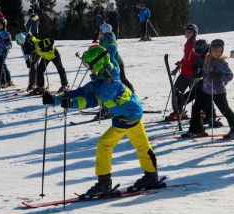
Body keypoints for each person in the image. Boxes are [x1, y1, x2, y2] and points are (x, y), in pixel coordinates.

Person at [42, 45, 164, 198]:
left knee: (104, 145)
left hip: (125, 117)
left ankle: (104, 184)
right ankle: (151, 177)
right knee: (141, 144)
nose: (87, 68)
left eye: (88, 65)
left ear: (98, 63)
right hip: (132, 112)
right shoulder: (103, 76)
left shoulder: (109, 83)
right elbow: (84, 90)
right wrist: (56, 99)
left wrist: (72, 104)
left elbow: (93, 100)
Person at [182, 39, 234, 139]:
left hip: (218, 91)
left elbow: (229, 75)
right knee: (196, 107)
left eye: (220, 51)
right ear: (211, 50)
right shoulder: (208, 59)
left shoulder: (222, 63)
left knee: (225, 110)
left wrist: (219, 76)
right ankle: (196, 129)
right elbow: (204, 71)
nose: (217, 53)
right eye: (215, 51)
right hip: (206, 90)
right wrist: (200, 72)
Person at [166, 24, 198, 121]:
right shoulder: (187, 43)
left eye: (190, 32)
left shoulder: (196, 44)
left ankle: (205, 112)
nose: (187, 33)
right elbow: (185, 57)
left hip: (193, 75)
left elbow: (199, 58)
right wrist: (178, 66)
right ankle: (178, 112)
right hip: (184, 73)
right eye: (186, 31)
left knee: (198, 93)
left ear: (194, 33)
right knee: (175, 91)